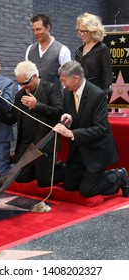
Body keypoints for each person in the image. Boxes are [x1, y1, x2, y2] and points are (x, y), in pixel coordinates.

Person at [52, 60, 129, 198]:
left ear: (75, 78)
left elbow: (100, 129)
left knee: (87, 191)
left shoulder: (97, 95)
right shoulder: (67, 92)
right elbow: (71, 115)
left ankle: (118, 176)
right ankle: (88, 176)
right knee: (70, 187)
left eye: (64, 80)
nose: (63, 84)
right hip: (79, 149)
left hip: (97, 150)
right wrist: (66, 118)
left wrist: (71, 133)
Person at [0, 60, 64, 187]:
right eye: (20, 84)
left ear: (35, 77)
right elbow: (12, 118)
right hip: (26, 144)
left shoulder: (50, 88)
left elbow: (58, 111)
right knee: (20, 178)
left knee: (44, 182)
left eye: (25, 83)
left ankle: (60, 168)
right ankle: (39, 169)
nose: (23, 87)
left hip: (44, 143)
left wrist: (36, 105)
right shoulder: (20, 94)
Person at [25, 13, 71, 89]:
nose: (36, 33)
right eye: (34, 30)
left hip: (54, 98)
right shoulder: (30, 49)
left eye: (39, 29)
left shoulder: (63, 50)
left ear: (48, 28)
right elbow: (26, 75)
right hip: (33, 97)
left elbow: (67, 79)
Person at [75, 12, 112, 96]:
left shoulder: (102, 49)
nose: (81, 34)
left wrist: (104, 95)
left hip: (97, 94)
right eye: (79, 30)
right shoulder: (78, 51)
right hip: (80, 94)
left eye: (84, 31)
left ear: (93, 31)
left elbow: (107, 75)